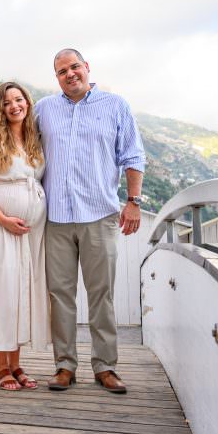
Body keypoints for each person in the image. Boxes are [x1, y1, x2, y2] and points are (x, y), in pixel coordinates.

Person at [35, 48, 146, 394]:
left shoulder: (115, 106)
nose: (70, 74)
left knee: (102, 295)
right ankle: (64, 366)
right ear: (57, 78)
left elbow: (133, 155)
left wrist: (133, 201)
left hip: (99, 215)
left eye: (74, 67)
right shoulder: (43, 110)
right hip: (56, 218)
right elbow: (24, 150)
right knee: (60, 295)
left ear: (87, 68)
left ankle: (105, 367)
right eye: (62, 71)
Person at [0, 82, 51, 391]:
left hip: (32, 230)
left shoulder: (34, 139)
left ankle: (16, 365)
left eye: (19, 99)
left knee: (22, 290)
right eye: (7, 102)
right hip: (1, 225)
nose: (15, 105)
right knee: (5, 290)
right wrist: (3, 218)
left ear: (27, 103)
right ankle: (0, 367)